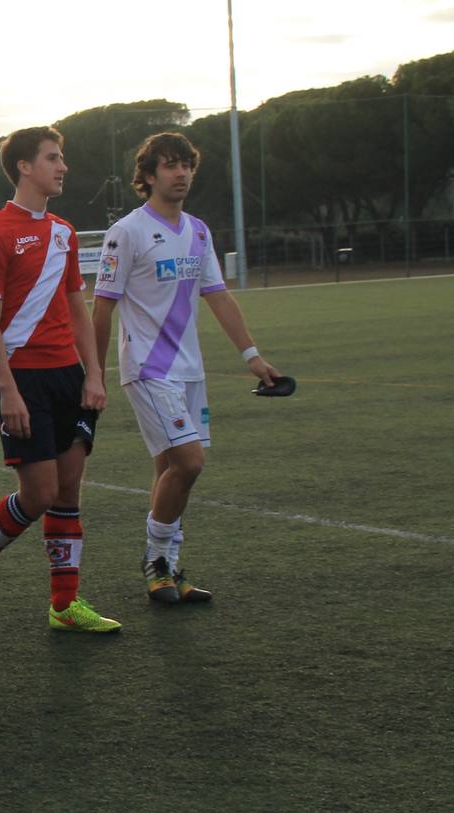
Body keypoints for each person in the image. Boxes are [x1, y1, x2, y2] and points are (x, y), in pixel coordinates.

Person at [91, 132, 281, 604]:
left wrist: (251, 356)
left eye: (186, 165)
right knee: (190, 462)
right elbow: (102, 308)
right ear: (148, 175)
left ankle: (169, 570)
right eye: (170, 165)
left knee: (169, 468)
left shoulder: (197, 230)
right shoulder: (128, 231)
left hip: (189, 371)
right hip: (147, 369)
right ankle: (156, 559)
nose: (180, 174)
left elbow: (217, 295)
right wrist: (92, 375)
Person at [0, 126, 121, 633]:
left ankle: (64, 605)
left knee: (69, 488)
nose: (63, 166)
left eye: (62, 157)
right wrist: (7, 389)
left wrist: (94, 374)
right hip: (22, 378)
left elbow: (78, 308)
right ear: (25, 167)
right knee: (39, 494)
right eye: (53, 158)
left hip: (68, 376)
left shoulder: (64, 233)